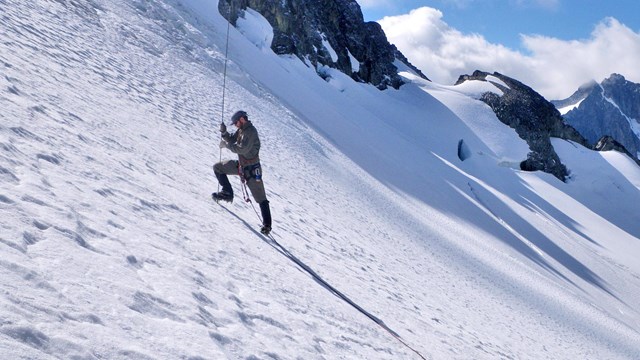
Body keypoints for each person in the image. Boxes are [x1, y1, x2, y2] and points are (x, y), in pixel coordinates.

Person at [212, 110, 272, 235]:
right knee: (218, 168)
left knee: (261, 198)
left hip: (251, 170)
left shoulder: (250, 132)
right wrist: (224, 133)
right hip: (241, 166)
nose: (235, 125)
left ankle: (267, 225)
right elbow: (232, 139)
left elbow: (241, 149)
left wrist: (226, 146)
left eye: (235, 123)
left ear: (242, 120)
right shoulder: (242, 130)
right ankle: (227, 193)